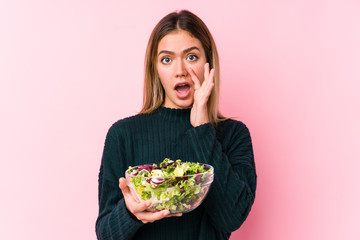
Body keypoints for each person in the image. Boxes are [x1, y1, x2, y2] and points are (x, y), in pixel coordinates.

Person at [95, 9, 257, 240]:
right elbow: (105, 234)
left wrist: (202, 128)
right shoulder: (123, 135)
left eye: (191, 57)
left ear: (208, 64)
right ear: (155, 69)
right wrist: (130, 213)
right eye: (167, 59)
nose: (180, 71)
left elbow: (230, 218)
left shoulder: (233, 134)